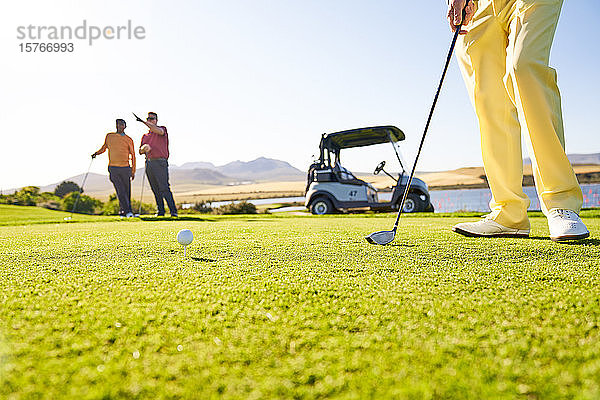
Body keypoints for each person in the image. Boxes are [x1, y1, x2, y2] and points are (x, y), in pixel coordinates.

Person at [448, 0, 589, 241]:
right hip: (483, 4)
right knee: (489, 98)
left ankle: (561, 202)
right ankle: (508, 212)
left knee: (523, 68)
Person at [92, 119, 136, 217]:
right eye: (118, 124)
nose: (120, 126)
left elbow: (133, 155)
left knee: (126, 191)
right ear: (116, 125)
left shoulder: (129, 139)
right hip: (113, 168)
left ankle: (125, 212)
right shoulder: (109, 136)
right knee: (120, 190)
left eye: (122, 124)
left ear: (125, 126)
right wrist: (96, 153)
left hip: (125, 168)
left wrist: (133, 171)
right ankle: (127, 211)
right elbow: (104, 148)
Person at [136, 112, 178, 217]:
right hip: (149, 163)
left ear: (156, 120)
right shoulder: (145, 136)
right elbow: (140, 151)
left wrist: (143, 122)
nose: (150, 120)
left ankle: (173, 211)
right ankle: (161, 211)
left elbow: (158, 130)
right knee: (155, 188)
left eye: (152, 119)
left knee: (164, 187)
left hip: (160, 162)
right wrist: (144, 148)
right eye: (148, 119)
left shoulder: (162, 129)